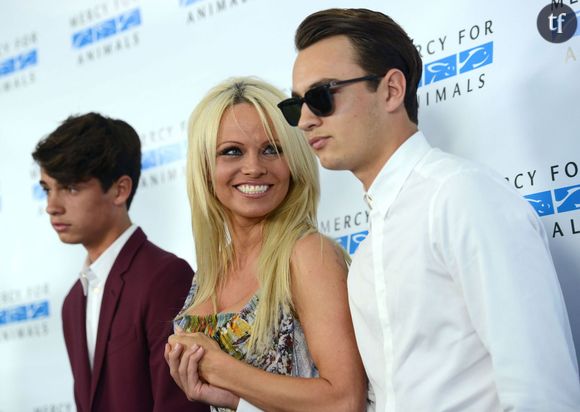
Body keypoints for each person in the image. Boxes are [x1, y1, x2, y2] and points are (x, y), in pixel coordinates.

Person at [277, 7, 580, 412]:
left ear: (391, 90)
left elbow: (541, 393)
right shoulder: (367, 254)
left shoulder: (461, 197)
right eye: (296, 106)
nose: (306, 121)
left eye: (321, 97)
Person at [164, 77, 367, 412]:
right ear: (204, 167)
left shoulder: (307, 255)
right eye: (232, 151)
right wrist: (228, 398)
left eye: (272, 149)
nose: (254, 168)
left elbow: (344, 401)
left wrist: (223, 370)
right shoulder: (209, 273)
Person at [32, 112, 207, 412]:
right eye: (48, 189)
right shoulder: (73, 301)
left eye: (71, 187)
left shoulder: (165, 277)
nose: (52, 206)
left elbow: (181, 404)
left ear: (119, 189)